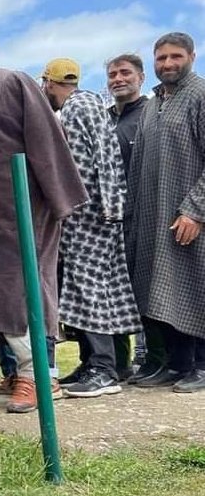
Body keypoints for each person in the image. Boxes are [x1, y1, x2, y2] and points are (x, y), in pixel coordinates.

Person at [0, 13, 87, 413]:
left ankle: (36, 376)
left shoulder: (14, 82)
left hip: (18, 212)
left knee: (18, 291)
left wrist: (57, 201)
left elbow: (47, 140)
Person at [40, 58, 142, 397]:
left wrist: (110, 208)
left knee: (90, 291)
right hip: (89, 214)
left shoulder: (78, 106)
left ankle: (104, 368)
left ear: (50, 83)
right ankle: (96, 363)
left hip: (90, 216)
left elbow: (102, 157)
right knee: (92, 290)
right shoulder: (87, 106)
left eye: (46, 85)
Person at [125, 32, 205, 393]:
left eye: (175, 57)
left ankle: (201, 367)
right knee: (163, 291)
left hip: (189, 216)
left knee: (195, 288)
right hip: (153, 216)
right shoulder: (153, 104)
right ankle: (176, 365)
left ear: (192, 55)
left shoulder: (200, 95)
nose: (168, 64)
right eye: (161, 58)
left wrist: (195, 210)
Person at [105, 54, 152, 381]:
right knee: (113, 294)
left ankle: (151, 359)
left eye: (125, 73)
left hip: (143, 216)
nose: (118, 79)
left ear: (141, 77)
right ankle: (119, 364)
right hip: (110, 222)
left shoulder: (149, 115)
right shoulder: (105, 119)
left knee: (146, 290)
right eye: (112, 74)